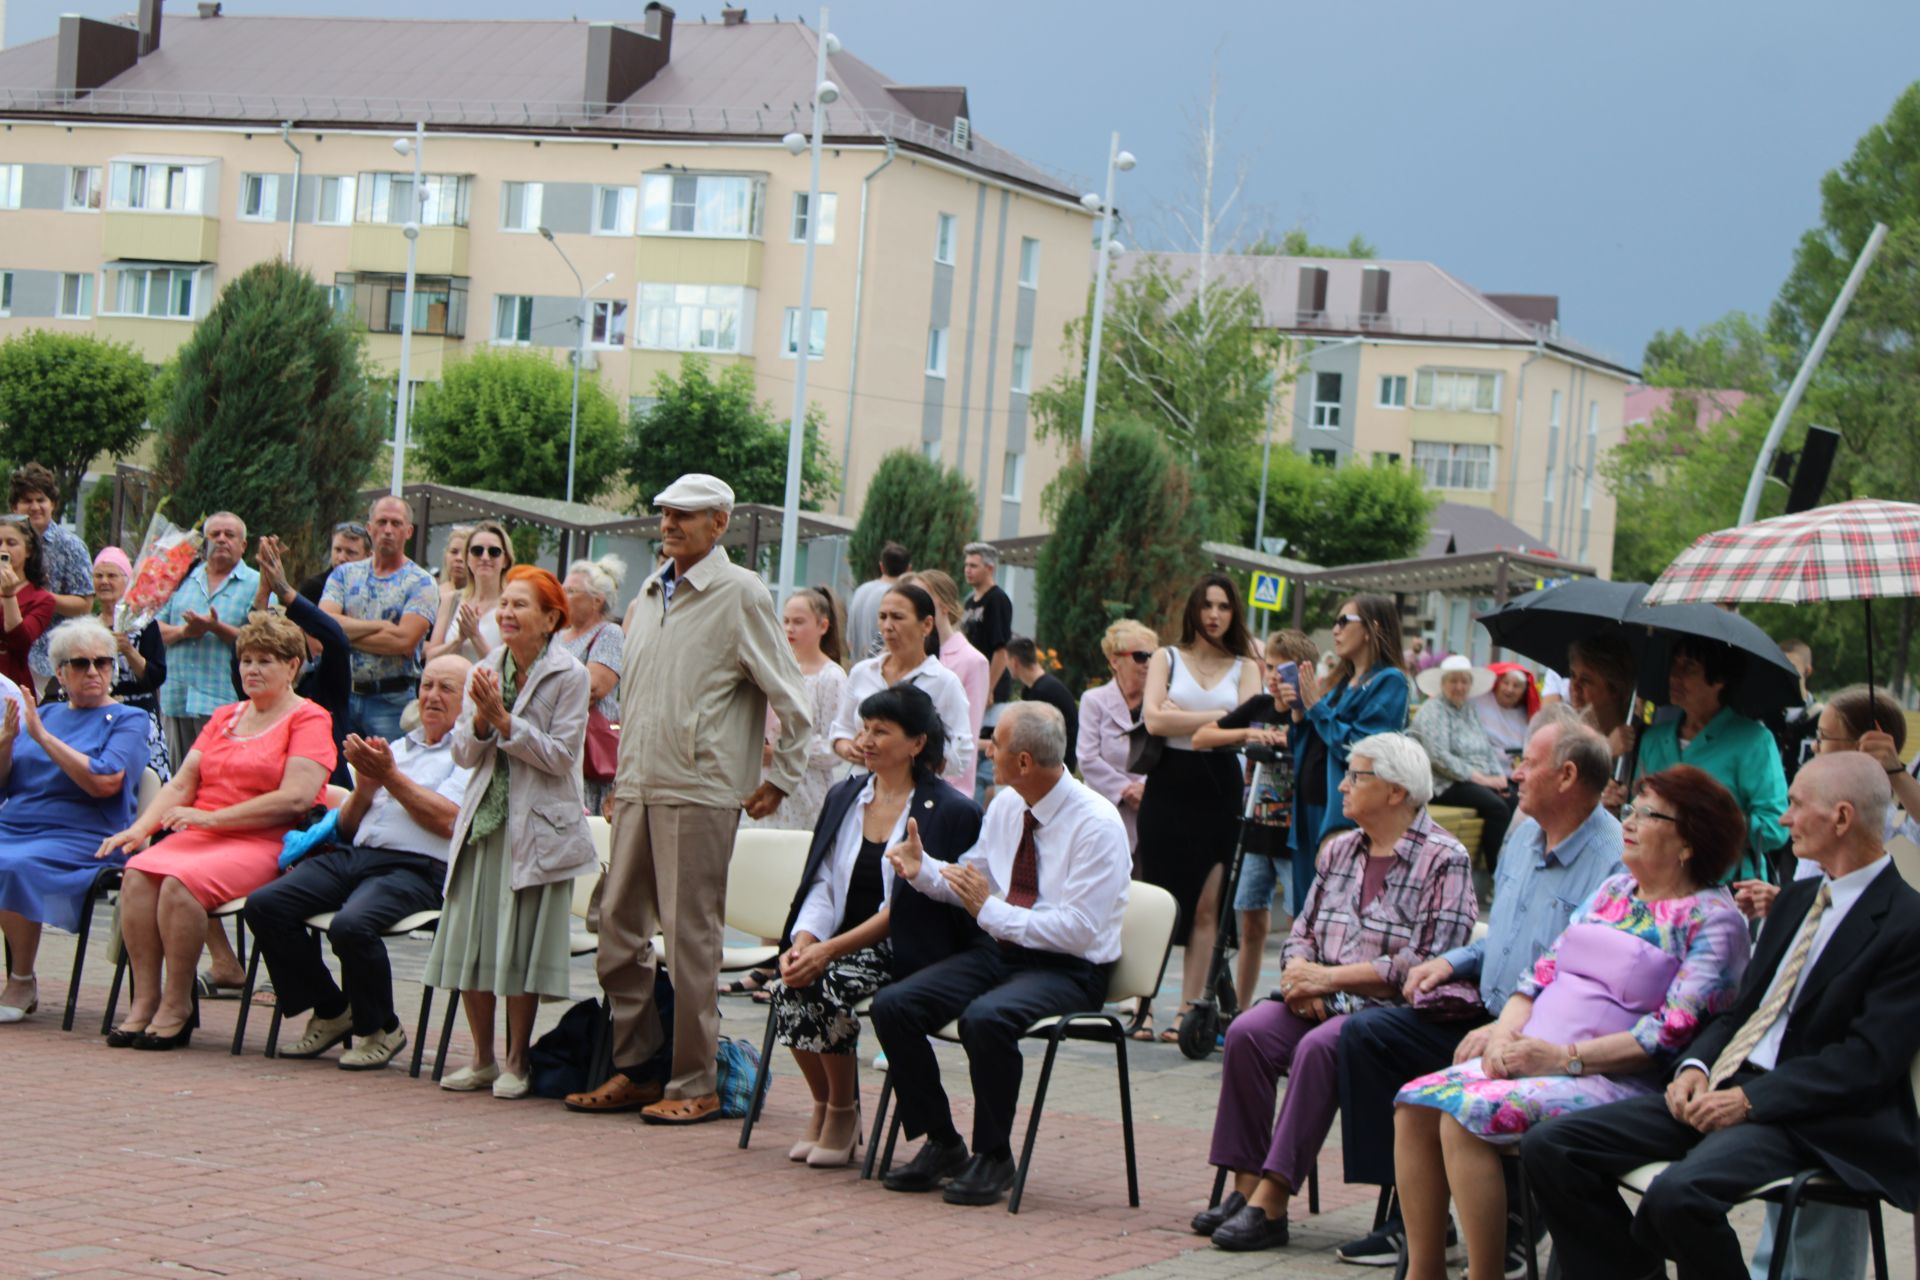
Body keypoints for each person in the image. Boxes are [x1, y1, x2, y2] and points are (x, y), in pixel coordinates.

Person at [1521, 753, 1920, 1280]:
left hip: (1808, 1115)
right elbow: (1743, 1011)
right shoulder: (1800, 898)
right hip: (1729, 1086)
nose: (1783, 819)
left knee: (1678, 1197)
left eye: (1797, 806)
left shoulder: (1906, 922)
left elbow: (1867, 1061)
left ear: (1842, 818)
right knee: (1550, 1146)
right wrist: (1696, 1069)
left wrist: (1752, 1100)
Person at [1392, 764, 1751, 1280]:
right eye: (1630, 808)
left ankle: (1484, 1274)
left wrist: (1561, 1059)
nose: (1626, 820)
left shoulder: (1713, 919)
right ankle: (1423, 1272)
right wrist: (1504, 1033)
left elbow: (1668, 1033)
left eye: (1645, 813)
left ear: (1689, 841)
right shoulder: (1616, 891)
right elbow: (1537, 977)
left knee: (1462, 1114)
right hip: (1534, 1054)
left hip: (1614, 1079)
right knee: (1414, 1103)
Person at [1332, 710, 1625, 1269]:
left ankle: (1514, 1219)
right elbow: (1504, 937)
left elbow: (1580, 974)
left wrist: (1508, 1027)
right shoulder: (1521, 835)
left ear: (1565, 776)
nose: (1513, 773)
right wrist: (1450, 960)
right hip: (1485, 1012)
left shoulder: (1612, 860)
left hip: (1548, 1032)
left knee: (1457, 1093)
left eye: (1527, 763)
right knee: (1367, 1033)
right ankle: (1415, 1219)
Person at [566, 474, 812, 1125]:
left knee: (690, 937)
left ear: (720, 524)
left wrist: (780, 777)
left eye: (687, 515)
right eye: (666, 513)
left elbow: (793, 697)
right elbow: (640, 699)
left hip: (702, 790)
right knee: (615, 927)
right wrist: (623, 780)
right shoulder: (648, 594)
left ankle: (695, 1081)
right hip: (642, 784)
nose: (671, 523)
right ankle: (640, 1067)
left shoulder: (741, 593)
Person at [1193, 732, 1477, 1252]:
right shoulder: (1340, 850)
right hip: (1318, 998)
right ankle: (1245, 1188)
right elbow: (1301, 929)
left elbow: (1428, 960)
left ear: (1395, 791)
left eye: (1356, 775)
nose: (1342, 785)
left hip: (1387, 1013)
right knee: (1248, 1032)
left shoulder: (1445, 858)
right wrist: (1300, 971)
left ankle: (1273, 1201)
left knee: (1321, 1048)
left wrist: (1330, 979)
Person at [873, 702, 1130, 1206]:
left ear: (1025, 761)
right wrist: (922, 869)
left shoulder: (1097, 824)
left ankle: (995, 1156)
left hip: (1072, 970)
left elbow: (1076, 932)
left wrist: (988, 912)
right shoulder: (1010, 804)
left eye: (997, 743)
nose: (988, 749)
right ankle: (943, 1142)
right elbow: (976, 879)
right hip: (1006, 952)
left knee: (985, 1020)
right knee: (893, 1005)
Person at [98, 611, 337, 1050]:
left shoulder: (310, 719)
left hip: (264, 840)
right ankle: (144, 1000)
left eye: (265, 660)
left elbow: (296, 799)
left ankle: (177, 1004)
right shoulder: (226, 715)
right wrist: (139, 829)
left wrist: (214, 819)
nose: (252, 669)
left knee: (177, 884)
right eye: (247, 660)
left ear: (292, 667)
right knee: (137, 873)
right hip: (202, 833)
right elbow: (183, 784)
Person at [772, 684, 983, 1167]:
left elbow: (905, 909)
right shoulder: (846, 794)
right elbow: (823, 884)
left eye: (881, 731)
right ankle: (825, 1104)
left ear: (916, 744)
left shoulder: (949, 811)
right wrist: (805, 942)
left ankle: (844, 1112)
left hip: (910, 947)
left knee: (826, 982)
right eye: (864, 728)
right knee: (787, 983)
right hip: (842, 940)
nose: (866, 739)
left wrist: (826, 953)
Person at [243, 655, 474, 1071]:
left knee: (351, 926)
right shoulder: (396, 749)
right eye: (427, 686)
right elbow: (348, 829)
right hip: (358, 855)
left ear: (468, 702)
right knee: (265, 905)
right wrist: (365, 791)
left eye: (446, 689)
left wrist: (389, 778)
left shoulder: (468, 756)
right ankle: (333, 1009)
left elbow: (446, 822)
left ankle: (381, 1026)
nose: (432, 696)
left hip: (418, 868)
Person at [423, 567, 596, 1097]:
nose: (507, 614)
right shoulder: (488, 665)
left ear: (550, 619)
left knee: (517, 945)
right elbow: (460, 753)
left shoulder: (570, 675)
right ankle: (480, 1058)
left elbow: (564, 757)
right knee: (474, 941)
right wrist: (479, 723)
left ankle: (518, 1061)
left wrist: (505, 724)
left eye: (521, 606)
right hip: (484, 822)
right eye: (505, 605)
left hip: (538, 827)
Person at [1134, 574, 1265, 1043]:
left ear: (1234, 614)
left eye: (1224, 607)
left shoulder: (1245, 665)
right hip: (1168, 783)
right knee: (1158, 899)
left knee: (1208, 906)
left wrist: (1183, 717)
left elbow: (1248, 724)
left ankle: (1188, 1012)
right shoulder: (1167, 657)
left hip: (1220, 786)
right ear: (1194, 608)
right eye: (1207, 604)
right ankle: (1143, 1007)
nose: (1214, 614)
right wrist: (1220, 718)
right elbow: (1153, 719)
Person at [0, 618, 152, 1023]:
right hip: (17, 823)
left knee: (14, 864)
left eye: (102, 662)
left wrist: (44, 740)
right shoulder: (44, 714)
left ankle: (21, 978)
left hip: (84, 832)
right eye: (80, 664)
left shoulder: (128, 720)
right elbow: (5, 785)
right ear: (61, 673)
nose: (93, 672)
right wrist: (4, 746)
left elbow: (104, 782)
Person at [1276, 594, 1412, 954]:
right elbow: (1309, 740)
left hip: (1341, 810)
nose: (1334, 630)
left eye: (1343, 622)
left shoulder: (1390, 682)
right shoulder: (1341, 682)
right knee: (1306, 908)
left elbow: (1362, 749)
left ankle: (1324, 988)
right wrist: (1298, 712)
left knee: (1333, 913)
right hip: (1309, 803)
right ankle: (1301, 983)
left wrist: (1316, 707)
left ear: (1372, 629)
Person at [1193, 627, 1318, 1013]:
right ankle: (1240, 1010)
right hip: (1255, 831)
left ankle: (1295, 1003)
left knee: (1302, 926)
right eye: (1271, 667)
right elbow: (1201, 737)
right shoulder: (1259, 708)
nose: (1275, 677)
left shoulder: (1312, 714)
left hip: (1294, 836)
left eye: (1285, 670)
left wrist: (1294, 730)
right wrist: (1251, 734)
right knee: (1250, 924)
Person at [1634, 637, 1788, 883]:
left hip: (1726, 888)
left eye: (1689, 668)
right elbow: (1637, 809)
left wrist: (1711, 824)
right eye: (1674, 664)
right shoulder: (1653, 739)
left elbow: (1775, 826)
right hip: (1655, 882)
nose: (1675, 675)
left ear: (1719, 679)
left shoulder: (1753, 741)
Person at [829, 583, 975, 792]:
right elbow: (840, 730)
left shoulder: (944, 682)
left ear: (926, 625)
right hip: (860, 788)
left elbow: (961, 756)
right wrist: (849, 748)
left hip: (914, 794)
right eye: (882, 616)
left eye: (897, 617)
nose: (887, 626)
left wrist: (903, 755)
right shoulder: (863, 672)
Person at [320, 496, 439, 741]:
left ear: (408, 531)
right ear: (369, 528)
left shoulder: (421, 582)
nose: (388, 530)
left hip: (391, 700)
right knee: (338, 775)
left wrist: (343, 634)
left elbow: (404, 641)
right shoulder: (344, 574)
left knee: (389, 774)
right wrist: (381, 627)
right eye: (382, 522)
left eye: (396, 523)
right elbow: (323, 624)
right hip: (342, 692)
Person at [244, 537, 353, 789]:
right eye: (252, 662)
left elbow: (336, 639)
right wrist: (263, 593)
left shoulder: (326, 685)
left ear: (294, 663)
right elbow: (243, 649)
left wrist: (284, 590)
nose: (254, 668)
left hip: (322, 797)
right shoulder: (258, 687)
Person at [155, 511, 259, 773]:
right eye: (215, 534)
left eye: (230, 535)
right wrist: (184, 632)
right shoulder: (181, 578)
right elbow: (153, 628)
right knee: (175, 778)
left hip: (223, 701)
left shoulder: (258, 584)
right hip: (176, 697)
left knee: (218, 778)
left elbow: (263, 641)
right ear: (205, 542)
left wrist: (216, 628)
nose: (222, 539)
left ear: (243, 545)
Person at [746, 586, 848, 834]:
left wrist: (783, 752)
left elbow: (834, 747)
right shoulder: (773, 670)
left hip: (808, 797)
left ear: (823, 626)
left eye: (799, 622)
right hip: (763, 785)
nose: (790, 628)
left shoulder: (831, 677)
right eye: (786, 621)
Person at [1409, 654, 1516, 873]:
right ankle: (1494, 874)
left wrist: (1500, 780)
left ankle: (1509, 870)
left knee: (1514, 799)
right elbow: (1439, 757)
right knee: (1497, 808)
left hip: (1473, 781)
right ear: (1442, 683)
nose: (1459, 687)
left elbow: (1486, 749)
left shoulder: (1468, 709)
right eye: (1453, 681)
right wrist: (1485, 780)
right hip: (1442, 783)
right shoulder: (1434, 709)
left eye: (1464, 681)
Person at [80, 546, 170, 781]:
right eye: (99, 576)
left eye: (112, 576)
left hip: (138, 713)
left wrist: (129, 650)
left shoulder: (144, 624)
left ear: (126, 580)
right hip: (97, 714)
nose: (104, 582)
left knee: (146, 782)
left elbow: (156, 675)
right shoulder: (86, 626)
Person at [900, 569, 987, 797]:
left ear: (943, 605)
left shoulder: (972, 660)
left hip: (944, 788)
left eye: (921, 595)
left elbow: (967, 735)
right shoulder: (903, 654)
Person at [1077, 619, 1157, 861]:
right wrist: (1126, 791)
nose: (1149, 663)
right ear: (1115, 660)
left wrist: (1147, 789)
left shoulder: (1164, 705)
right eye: (1141, 656)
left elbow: (1170, 757)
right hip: (1105, 817)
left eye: (1154, 656)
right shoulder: (1094, 700)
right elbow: (1087, 759)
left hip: (1151, 816)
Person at [11, 463, 94, 695]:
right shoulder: (4, 544)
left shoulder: (71, 546)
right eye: (27, 501)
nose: (35, 507)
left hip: (52, 662)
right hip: (11, 658)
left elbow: (85, 605)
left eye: (41, 500)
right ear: (14, 506)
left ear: (53, 504)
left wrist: (39, 598)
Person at [556, 553, 628, 815]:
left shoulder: (609, 633)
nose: (561, 595)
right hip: (558, 742)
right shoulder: (559, 635)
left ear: (596, 600)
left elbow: (594, 686)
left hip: (587, 750)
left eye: (571, 591)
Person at [426, 520, 513, 663]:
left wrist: (475, 635)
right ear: (468, 558)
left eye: (494, 552)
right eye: (477, 551)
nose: (485, 557)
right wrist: (459, 640)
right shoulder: (451, 600)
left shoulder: (511, 606)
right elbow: (431, 658)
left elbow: (508, 669)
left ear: (505, 560)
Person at [1004, 636, 1078, 772]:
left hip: (1057, 766)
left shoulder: (1044, 691)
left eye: (1006, 660)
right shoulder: (1033, 688)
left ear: (1014, 662)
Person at [0, 515, 57, 691]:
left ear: (29, 551)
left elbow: (20, 642)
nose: (3, 549)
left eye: (11, 543)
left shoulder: (41, 599)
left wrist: (9, 597)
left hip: (11, 683)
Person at [961, 541, 1014, 704]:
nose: (968, 570)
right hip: (971, 681)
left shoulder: (997, 599)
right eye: (966, 565)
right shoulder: (969, 601)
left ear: (989, 568)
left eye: (974, 566)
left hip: (991, 688)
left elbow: (1001, 650)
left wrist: (989, 688)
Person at [847, 540, 910, 661]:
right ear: (909, 569)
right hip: (880, 671)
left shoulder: (861, 590)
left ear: (881, 566)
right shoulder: (898, 597)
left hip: (857, 669)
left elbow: (849, 640)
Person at [1475, 663, 1537, 763]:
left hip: (1513, 772)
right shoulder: (1481, 700)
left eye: (1516, 686)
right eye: (1505, 683)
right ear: (1498, 684)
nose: (1510, 689)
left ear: (1523, 692)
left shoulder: (1526, 714)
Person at [297, 521, 373, 603]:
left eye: (350, 552)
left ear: (368, 556)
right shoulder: (313, 588)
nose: (341, 558)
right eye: (338, 550)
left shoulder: (375, 592)